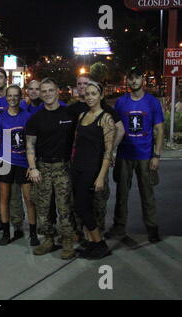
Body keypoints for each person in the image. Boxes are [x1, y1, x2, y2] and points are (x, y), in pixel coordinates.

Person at [106, 66, 164, 243]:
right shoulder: (121, 102)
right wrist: (113, 151)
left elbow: (159, 129)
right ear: (127, 81)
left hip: (145, 155)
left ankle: (152, 229)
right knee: (121, 194)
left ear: (143, 81)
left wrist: (156, 155)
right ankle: (119, 227)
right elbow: (117, 128)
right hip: (125, 154)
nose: (134, 81)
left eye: (137, 78)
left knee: (147, 194)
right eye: (131, 78)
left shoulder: (152, 102)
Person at [26, 77, 76, 260]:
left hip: (63, 167)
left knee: (65, 208)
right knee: (43, 208)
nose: (47, 94)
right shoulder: (35, 118)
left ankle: (67, 242)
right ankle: (48, 240)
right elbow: (30, 145)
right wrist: (33, 168)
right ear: (40, 93)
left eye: (50, 90)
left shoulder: (69, 114)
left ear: (57, 91)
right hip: (43, 167)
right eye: (43, 91)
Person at [69, 74, 125, 233]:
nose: (83, 87)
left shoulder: (105, 111)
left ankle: (96, 236)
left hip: (97, 164)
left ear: (100, 94)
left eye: (86, 84)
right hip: (79, 164)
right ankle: (83, 235)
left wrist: (110, 151)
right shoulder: (77, 111)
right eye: (80, 84)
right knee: (80, 202)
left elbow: (121, 130)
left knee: (97, 202)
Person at [71, 81, 115, 259]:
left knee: (83, 207)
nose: (89, 97)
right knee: (81, 206)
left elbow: (108, 150)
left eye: (93, 94)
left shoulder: (106, 118)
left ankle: (100, 244)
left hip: (92, 169)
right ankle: (92, 243)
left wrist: (101, 176)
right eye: (87, 94)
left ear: (101, 95)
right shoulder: (82, 116)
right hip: (78, 167)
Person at [0, 85, 39, 246]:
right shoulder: (1, 118)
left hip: (24, 163)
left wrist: (32, 165)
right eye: (9, 96)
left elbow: (32, 142)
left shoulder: (27, 116)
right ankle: (6, 232)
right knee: (4, 198)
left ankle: (33, 233)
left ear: (20, 97)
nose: (12, 98)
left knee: (29, 199)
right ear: (6, 98)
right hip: (5, 161)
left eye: (15, 96)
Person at [0, 68, 25, 239]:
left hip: (15, 150)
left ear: (6, 79)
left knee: (15, 192)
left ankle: (17, 223)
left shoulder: (17, 101)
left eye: (0, 77)